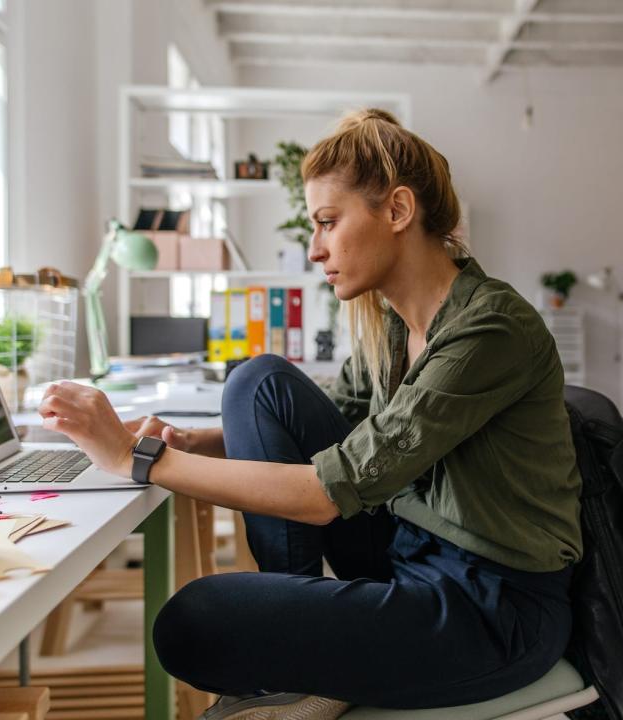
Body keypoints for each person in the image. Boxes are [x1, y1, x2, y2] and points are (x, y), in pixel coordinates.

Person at [38, 109, 583, 720]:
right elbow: (334, 425)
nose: (315, 246)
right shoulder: (391, 322)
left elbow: (329, 489)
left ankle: (310, 662)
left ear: (398, 211)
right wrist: (190, 443)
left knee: (193, 622)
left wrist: (136, 459)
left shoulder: (489, 328)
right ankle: (303, 667)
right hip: (409, 553)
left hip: (493, 608)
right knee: (257, 383)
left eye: (327, 222)